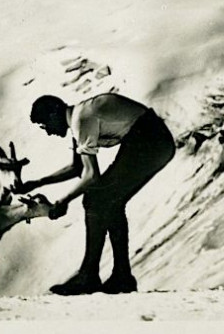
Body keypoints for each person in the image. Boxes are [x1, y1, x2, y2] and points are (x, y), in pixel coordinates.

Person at [15, 90, 176, 295]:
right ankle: (120, 276)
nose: (48, 132)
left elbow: (91, 175)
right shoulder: (78, 119)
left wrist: (62, 201)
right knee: (106, 199)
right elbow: (77, 168)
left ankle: (90, 276)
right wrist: (36, 183)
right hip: (152, 139)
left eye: (45, 126)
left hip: (150, 140)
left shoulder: (81, 120)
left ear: (55, 114)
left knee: (98, 198)